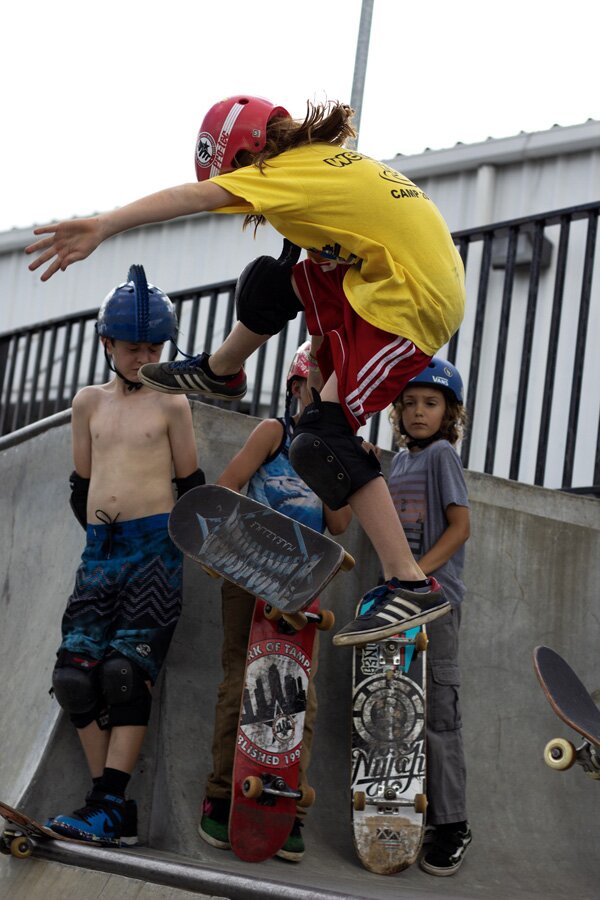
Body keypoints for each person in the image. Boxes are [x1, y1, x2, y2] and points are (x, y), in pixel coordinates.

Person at [26, 95, 466, 646]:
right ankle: (222, 370)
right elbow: (308, 282)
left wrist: (106, 225)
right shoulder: (320, 171)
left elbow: (190, 197)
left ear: (245, 155)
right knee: (276, 278)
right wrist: (323, 355)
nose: (246, 205)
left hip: (408, 306)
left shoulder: (281, 172)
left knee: (320, 440)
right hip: (373, 286)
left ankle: (410, 582)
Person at [46, 265, 204, 845]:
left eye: (152, 346)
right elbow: (80, 487)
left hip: (154, 549)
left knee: (123, 674)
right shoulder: (87, 402)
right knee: (75, 678)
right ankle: (108, 805)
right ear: (106, 343)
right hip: (100, 551)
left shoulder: (173, 404)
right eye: (132, 346)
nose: (143, 356)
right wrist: (98, 544)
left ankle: (109, 804)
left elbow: (192, 486)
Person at [199, 342, 352, 862]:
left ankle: (287, 808)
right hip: (250, 575)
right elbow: (227, 487)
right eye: (318, 395)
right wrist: (228, 545)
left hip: (301, 584)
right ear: (296, 387)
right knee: (240, 680)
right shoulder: (274, 433)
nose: (326, 406)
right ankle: (220, 796)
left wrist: (343, 470)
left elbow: (339, 525)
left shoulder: (337, 449)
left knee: (295, 695)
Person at [387, 357, 472, 876]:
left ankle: (453, 824)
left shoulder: (441, 455)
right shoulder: (396, 463)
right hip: (397, 604)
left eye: (431, 403)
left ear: (449, 413)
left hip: (436, 602)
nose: (419, 412)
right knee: (398, 711)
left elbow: (460, 527)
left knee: (439, 713)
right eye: (411, 402)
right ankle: (408, 812)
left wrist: (417, 572)